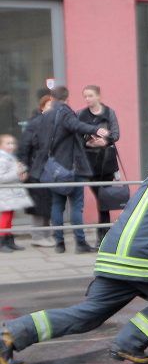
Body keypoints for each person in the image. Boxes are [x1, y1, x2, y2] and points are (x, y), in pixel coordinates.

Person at [0, 136, 148, 364]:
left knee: (87, 315)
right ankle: (130, 342)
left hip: (112, 257)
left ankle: (11, 335)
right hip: (144, 260)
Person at [31, 86, 110, 254]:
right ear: (66, 97)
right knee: (76, 206)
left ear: (52, 97)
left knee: (57, 206)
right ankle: (80, 244)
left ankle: (60, 244)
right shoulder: (65, 113)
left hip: (53, 169)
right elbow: (76, 126)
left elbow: (37, 140)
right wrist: (96, 129)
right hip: (71, 168)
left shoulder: (45, 116)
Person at [78, 84, 121, 246]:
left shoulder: (109, 113)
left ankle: (102, 237)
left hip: (106, 162)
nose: (87, 99)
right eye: (85, 96)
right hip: (89, 162)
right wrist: (89, 143)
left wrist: (105, 140)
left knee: (104, 200)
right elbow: (77, 133)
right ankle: (102, 236)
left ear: (98, 96)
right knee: (100, 198)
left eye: (90, 96)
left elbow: (116, 134)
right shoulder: (81, 114)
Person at [17, 95, 56, 247]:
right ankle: (38, 236)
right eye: (49, 105)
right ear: (42, 107)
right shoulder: (35, 124)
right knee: (39, 205)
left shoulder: (56, 123)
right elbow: (24, 146)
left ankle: (46, 235)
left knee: (49, 204)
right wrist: (23, 166)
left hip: (51, 170)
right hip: (36, 170)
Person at [0, 134, 33, 252]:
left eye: (12, 143)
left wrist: (22, 172)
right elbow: (1, 177)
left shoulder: (10, 157)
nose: (11, 146)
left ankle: (9, 240)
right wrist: (17, 172)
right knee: (6, 217)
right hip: (5, 193)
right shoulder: (2, 159)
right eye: (7, 143)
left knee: (9, 217)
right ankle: (2, 241)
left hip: (11, 193)